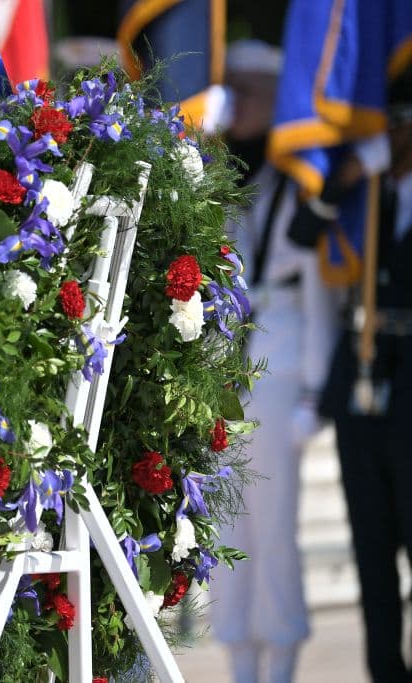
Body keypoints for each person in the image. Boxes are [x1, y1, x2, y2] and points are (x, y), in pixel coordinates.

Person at [210, 40, 339, 683]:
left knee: (275, 526)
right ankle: (239, 653)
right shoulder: (226, 178)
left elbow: (319, 295)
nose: (235, 104)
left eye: (248, 92)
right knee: (229, 525)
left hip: (282, 366)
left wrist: (316, 392)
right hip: (228, 373)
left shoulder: (299, 182)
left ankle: (282, 653)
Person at [318, 68, 412, 683]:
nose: (390, 136)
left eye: (398, 124)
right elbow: (304, 230)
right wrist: (349, 176)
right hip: (361, 381)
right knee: (371, 550)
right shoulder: (362, 197)